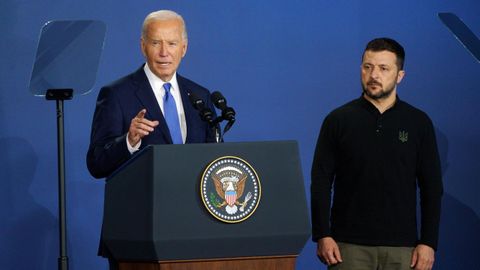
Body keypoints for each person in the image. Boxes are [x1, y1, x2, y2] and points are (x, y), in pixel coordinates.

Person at [86, 10, 216, 269]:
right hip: (137, 235)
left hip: (194, 231)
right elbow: (96, 162)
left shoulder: (200, 97)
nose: (164, 52)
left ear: (184, 48)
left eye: (172, 43)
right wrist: (129, 140)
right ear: (143, 46)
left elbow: (210, 161)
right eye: (156, 43)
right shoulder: (117, 94)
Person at [311, 38, 443, 270]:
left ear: (400, 75)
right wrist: (322, 234)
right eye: (367, 67)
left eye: (384, 68)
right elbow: (321, 180)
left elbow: (431, 187)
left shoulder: (418, 122)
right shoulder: (338, 120)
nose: (374, 75)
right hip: (347, 248)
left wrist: (429, 242)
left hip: (404, 250)